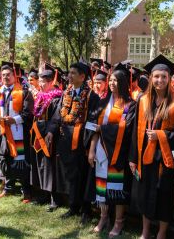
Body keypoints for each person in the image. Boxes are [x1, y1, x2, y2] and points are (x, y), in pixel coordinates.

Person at [129, 54, 174, 239]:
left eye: (163, 77)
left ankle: (161, 233)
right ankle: (145, 232)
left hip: (165, 159)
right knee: (145, 195)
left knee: (164, 198)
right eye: (156, 76)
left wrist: (162, 135)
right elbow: (135, 129)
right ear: (151, 78)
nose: (159, 80)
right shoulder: (143, 100)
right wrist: (132, 158)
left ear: (169, 79)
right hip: (145, 157)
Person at [47, 62, 99, 224]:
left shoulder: (91, 96)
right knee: (70, 175)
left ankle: (86, 210)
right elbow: (57, 115)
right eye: (69, 73)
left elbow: (93, 120)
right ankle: (73, 206)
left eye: (73, 73)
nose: (69, 76)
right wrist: (50, 131)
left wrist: (87, 141)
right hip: (65, 140)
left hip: (81, 142)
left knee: (82, 175)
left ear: (82, 77)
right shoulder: (66, 93)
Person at [88, 63, 136, 237]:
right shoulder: (102, 102)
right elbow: (94, 128)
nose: (112, 83)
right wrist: (92, 149)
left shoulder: (130, 105)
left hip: (118, 152)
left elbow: (128, 129)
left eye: (116, 80)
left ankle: (118, 221)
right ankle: (103, 217)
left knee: (117, 187)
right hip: (100, 150)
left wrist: (103, 129)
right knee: (101, 186)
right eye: (111, 80)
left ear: (123, 83)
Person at [0, 63, 34, 203]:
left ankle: (26, 192)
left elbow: (28, 113)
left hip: (18, 132)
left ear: (14, 76)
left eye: (8, 75)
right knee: (4, 159)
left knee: (21, 162)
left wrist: (15, 120)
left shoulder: (24, 92)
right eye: (4, 75)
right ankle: (8, 188)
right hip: (2, 132)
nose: (6, 77)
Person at [29, 67, 63, 211]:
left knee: (50, 167)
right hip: (37, 136)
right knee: (39, 166)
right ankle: (42, 194)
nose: (40, 84)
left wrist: (47, 130)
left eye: (42, 82)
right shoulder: (40, 97)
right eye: (40, 81)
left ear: (50, 83)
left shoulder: (57, 97)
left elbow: (56, 118)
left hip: (50, 138)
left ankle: (54, 199)